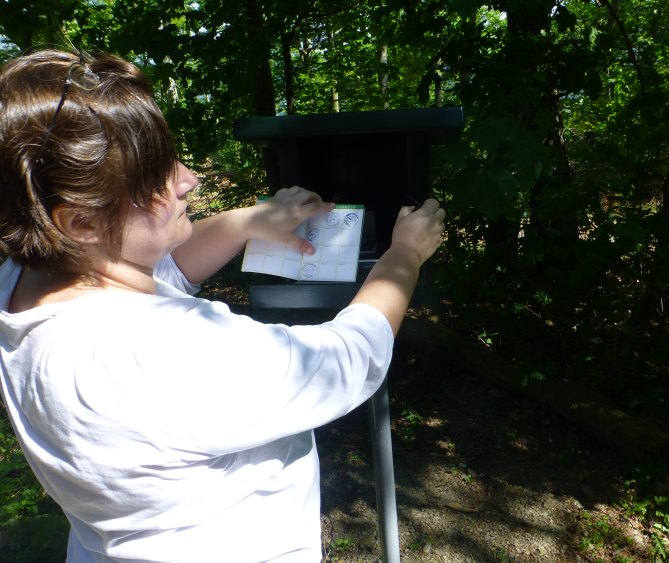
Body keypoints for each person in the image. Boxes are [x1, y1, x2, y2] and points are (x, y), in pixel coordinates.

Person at [0, 49, 445, 562]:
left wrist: (249, 222)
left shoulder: (24, 282)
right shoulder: (167, 350)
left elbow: (147, 275)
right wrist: (405, 253)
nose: (189, 178)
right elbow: (347, 359)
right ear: (81, 223)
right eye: (157, 176)